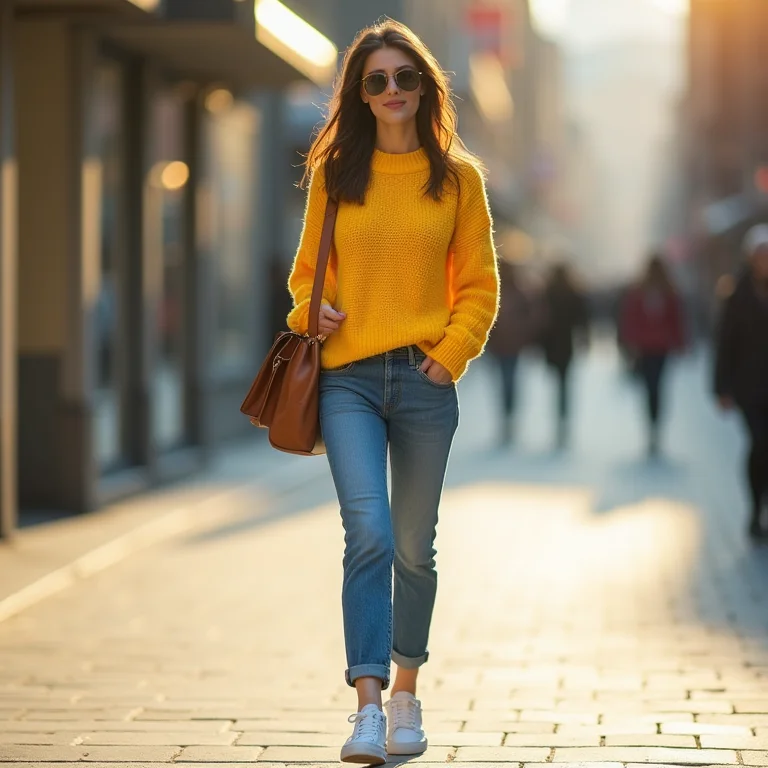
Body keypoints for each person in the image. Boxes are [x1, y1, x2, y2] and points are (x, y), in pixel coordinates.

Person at [285, 20, 499, 765]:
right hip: (346, 378)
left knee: (414, 546)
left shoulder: (458, 180)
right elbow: (305, 276)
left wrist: (450, 354)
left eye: (404, 78)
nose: (391, 92)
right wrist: (313, 310)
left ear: (424, 87)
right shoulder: (338, 172)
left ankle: (408, 690)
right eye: (375, 81)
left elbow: (479, 285)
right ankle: (369, 708)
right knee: (368, 533)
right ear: (359, 93)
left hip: (423, 380)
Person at [714, 224, 768, 538]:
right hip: (749, 385)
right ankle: (755, 508)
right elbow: (725, 342)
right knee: (759, 444)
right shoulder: (737, 294)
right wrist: (721, 388)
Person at [620, 254, 685, 457]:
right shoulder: (660, 291)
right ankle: (654, 426)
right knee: (656, 387)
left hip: (651, 347)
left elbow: (675, 319)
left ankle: (653, 425)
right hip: (654, 347)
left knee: (652, 388)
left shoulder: (649, 291)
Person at [486, 259, 542, 445]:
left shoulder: (497, 290)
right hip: (510, 345)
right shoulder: (518, 292)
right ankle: (508, 417)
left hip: (504, 344)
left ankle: (507, 417)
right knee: (509, 381)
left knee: (505, 381)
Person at [540, 262, 589, 448]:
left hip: (551, 345)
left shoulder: (548, 292)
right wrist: (585, 339)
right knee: (563, 384)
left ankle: (558, 420)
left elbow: (541, 320)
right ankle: (563, 420)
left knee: (556, 383)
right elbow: (582, 318)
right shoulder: (573, 293)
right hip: (566, 344)